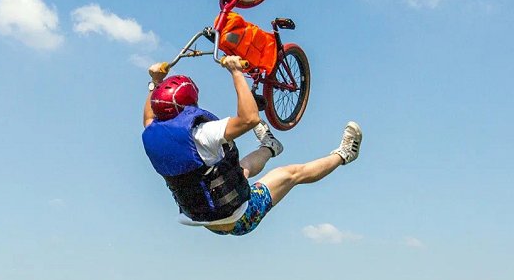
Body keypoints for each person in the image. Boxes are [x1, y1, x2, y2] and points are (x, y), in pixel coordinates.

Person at [142, 55, 362, 236]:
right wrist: (236, 71)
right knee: (290, 174)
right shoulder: (203, 134)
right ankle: (344, 154)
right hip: (240, 217)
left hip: (205, 217)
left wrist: (156, 82)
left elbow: (148, 118)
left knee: (236, 170)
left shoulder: (151, 133)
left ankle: (269, 146)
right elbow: (250, 119)